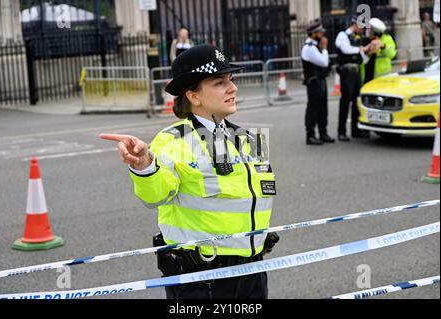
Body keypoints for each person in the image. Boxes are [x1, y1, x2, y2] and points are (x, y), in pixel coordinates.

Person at [100, 44, 279, 299]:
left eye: (231, 79)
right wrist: (144, 165)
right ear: (193, 96)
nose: (232, 88)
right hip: (203, 281)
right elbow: (156, 195)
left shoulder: (249, 138)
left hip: (254, 274)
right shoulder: (173, 140)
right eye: (219, 82)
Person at [335, 16, 374, 141]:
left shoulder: (357, 39)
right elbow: (346, 50)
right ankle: (341, 131)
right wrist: (362, 49)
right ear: (355, 25)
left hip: (356, 72)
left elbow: (362, 59)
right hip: (347, 72)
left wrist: (370, 53)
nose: (362, 30)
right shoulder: (342, 35)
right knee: (345, 102)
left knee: (357, 102)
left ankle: (355, 130)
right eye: (361, 27)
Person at [301, 21, 335, 145]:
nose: (322, 34)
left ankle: (323, 133)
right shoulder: (309, 47)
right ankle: (310, 135)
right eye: (320, 32)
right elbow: (323, 62)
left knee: (323, 108)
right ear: (314, 34)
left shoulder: (315, 46)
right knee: (313, 108)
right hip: (314, 82)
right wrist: (325, 49)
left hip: (321, 81)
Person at [361, 17, 397, 84]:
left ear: (375, 31)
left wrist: (383, 46)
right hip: (365, 78)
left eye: (369, 29)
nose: (367, 30)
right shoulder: (364, 40)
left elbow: (392, 54)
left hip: (381, 79)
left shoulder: (386, 39)